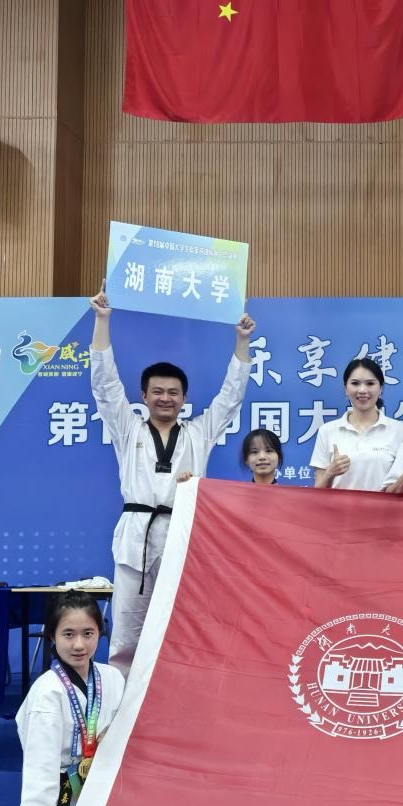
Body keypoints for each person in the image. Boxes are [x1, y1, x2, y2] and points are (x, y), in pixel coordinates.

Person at [89, 282, 253, 675]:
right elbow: (105, 386)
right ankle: (124, 703)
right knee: (127, 630)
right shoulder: (128, 430)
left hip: (182, 533)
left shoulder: (198, 433)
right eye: (158, 391)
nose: (166, 398)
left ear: (184, 398)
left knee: (183, 624)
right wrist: (102, 320)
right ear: (144, 396)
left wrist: (242, 341)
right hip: (136, 534)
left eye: (174, 392)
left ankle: (178, 694)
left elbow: (230, 397)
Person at [14, 591, 127, 806]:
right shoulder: (47, 694)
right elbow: (39, 778)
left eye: (88, 633)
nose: (79, 645)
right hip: (58, 801)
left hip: (98, 795)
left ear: (100, 633)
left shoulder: (112, 678)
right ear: (51, 636)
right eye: (68, 634)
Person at [311, 358, 403, 490]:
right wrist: (330, 473)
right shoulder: (327, 431)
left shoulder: (400, 431)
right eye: (355, 383)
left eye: (370, 383)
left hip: (382, 504)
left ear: (381, 388)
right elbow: (317, 493)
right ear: (346, 388)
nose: (362, 390)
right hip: (339, 504)